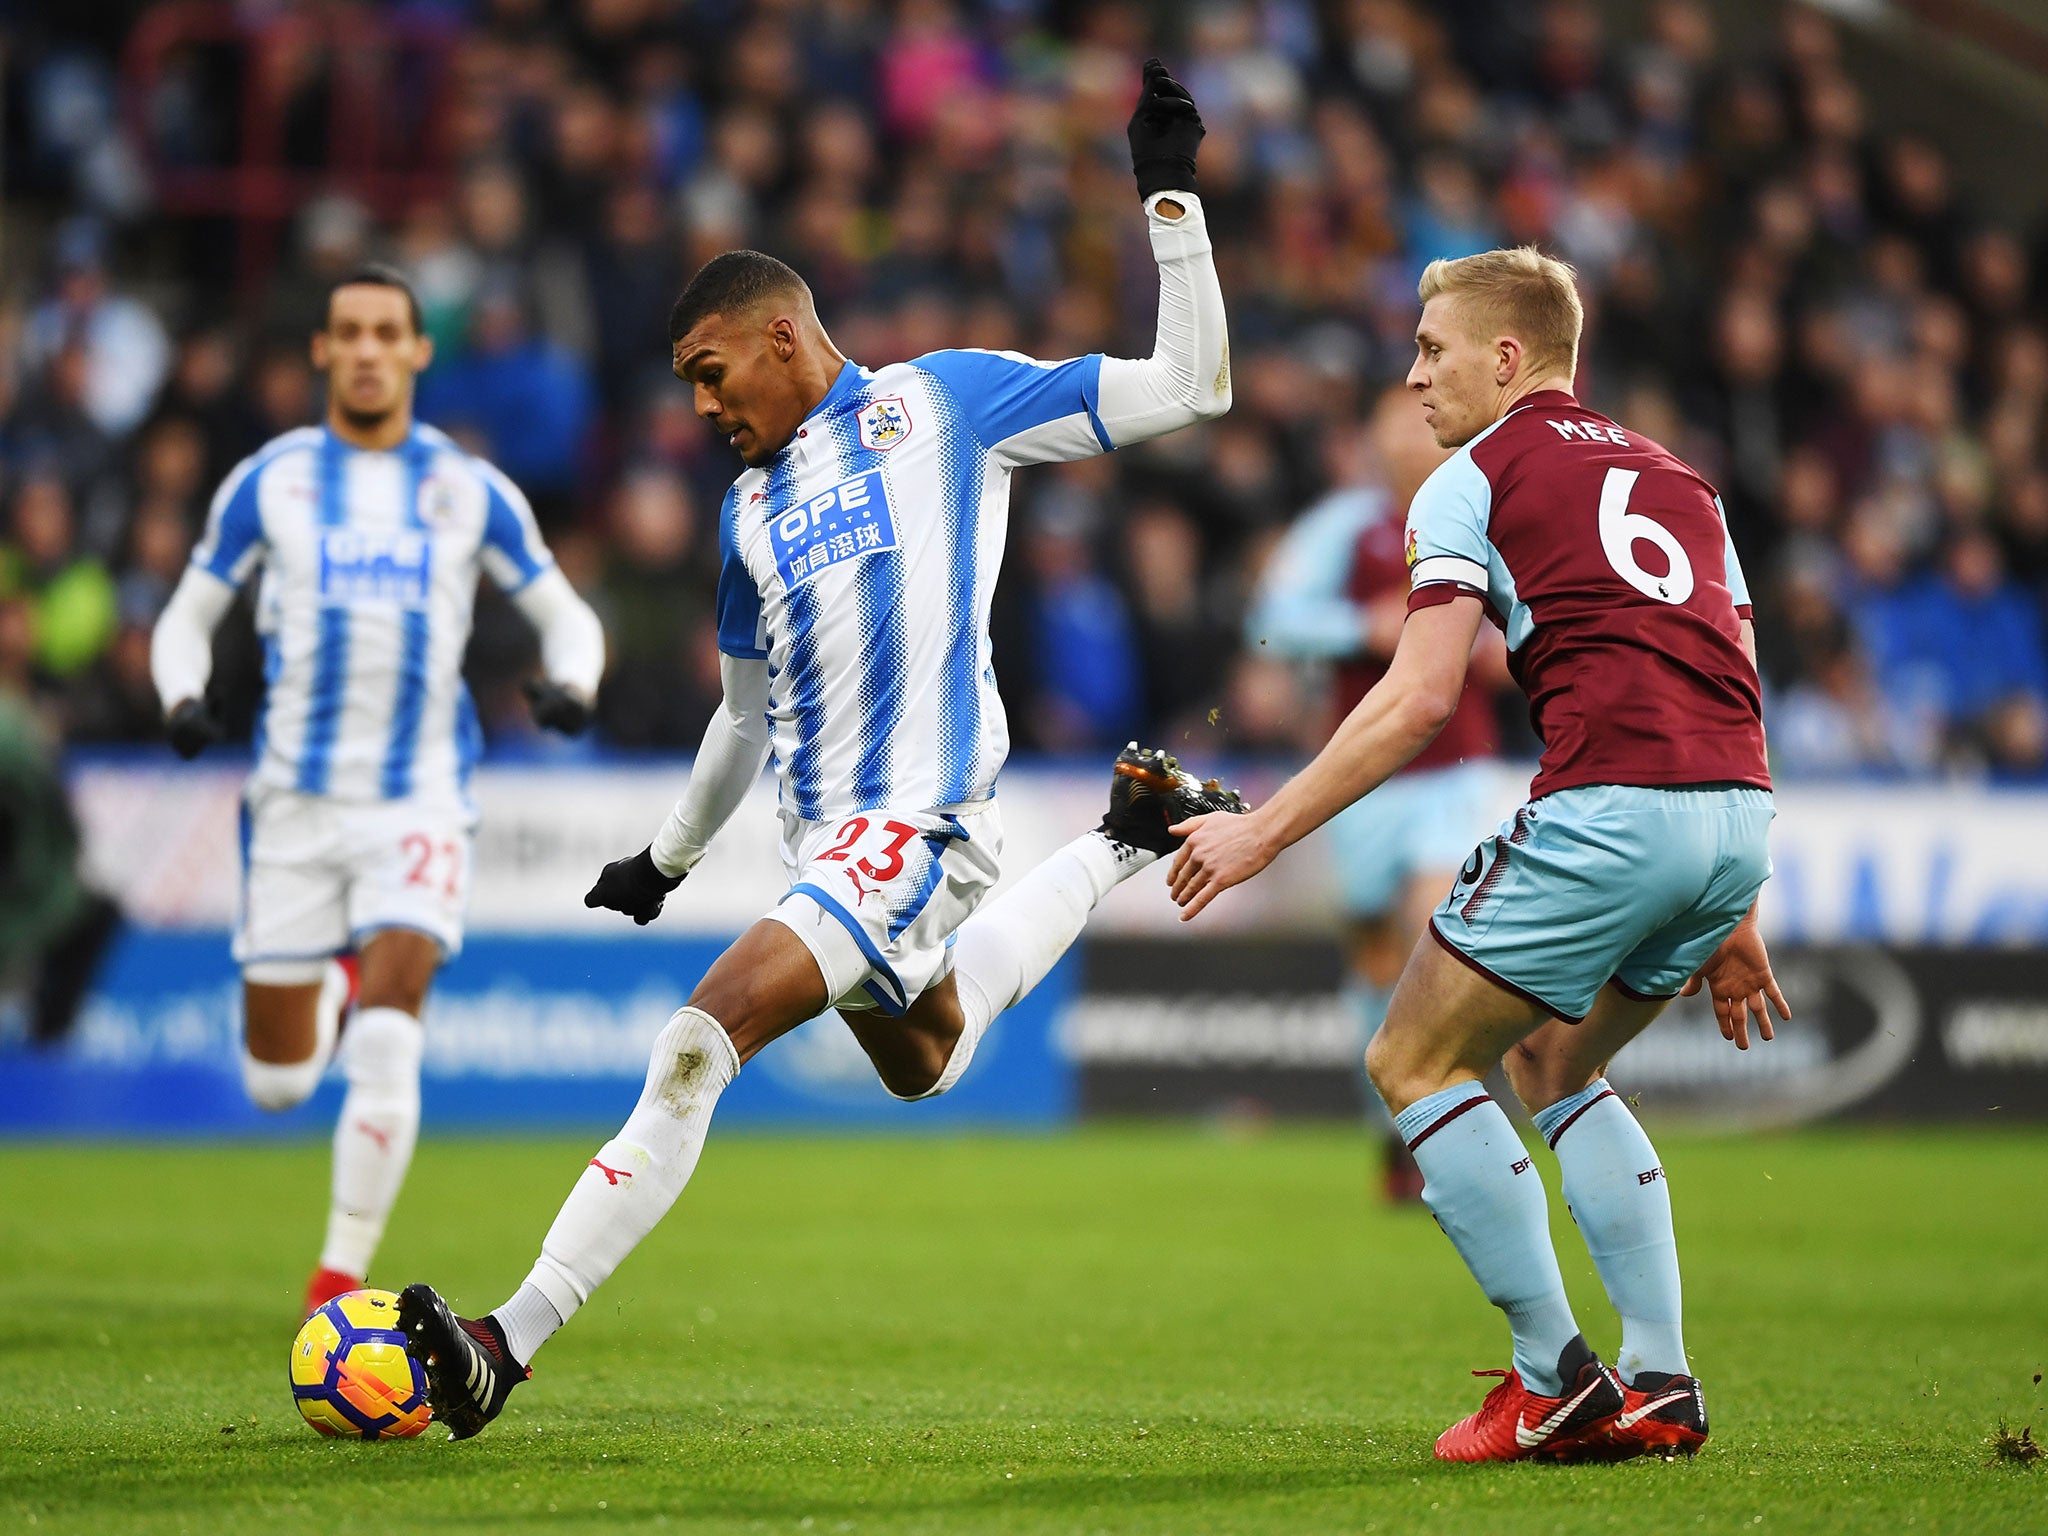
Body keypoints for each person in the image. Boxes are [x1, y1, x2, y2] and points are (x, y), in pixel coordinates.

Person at [395, 59, 1242, 1441]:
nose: (702, 408)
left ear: (781, 336)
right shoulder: (743, 518)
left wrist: (1169, 199)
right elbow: (743, 713)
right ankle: (1121, 840)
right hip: (833, 848)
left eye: (710, 373)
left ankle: (507, 1338)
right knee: (932, 1054)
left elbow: (1191, 387)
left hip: (917, 824)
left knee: (698, 1037)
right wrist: (662, 861)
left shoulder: (944, 408)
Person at [1168, 247, 1785, 1463]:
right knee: (1555, 1060)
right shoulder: (1682, 483)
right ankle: (1659, 1376)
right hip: (1731, 813)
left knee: (1410, 1057)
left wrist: (1257, 831)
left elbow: (1415, 700)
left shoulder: (1472, 477)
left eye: (1428, 347)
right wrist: (1737, 906)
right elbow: (1734, 682)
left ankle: (1553, 1379)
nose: (1411, 375)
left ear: (1505, 358)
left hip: (1609, 805)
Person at [149, 265, 605, 1315]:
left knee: (395, 1023)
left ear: (416, 350)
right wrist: (183, 697)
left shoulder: (466, 488)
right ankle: (333, 991)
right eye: (346, 332)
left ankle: (335, 1277)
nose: (364, 349)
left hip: (420, 798)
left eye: (384, 332)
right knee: (277, 1084)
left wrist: (573, 686)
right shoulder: (272, 481)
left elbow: (565, 614)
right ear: (321, 351)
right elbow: (186, 614)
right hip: (294, 808)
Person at [1247, 386, 1506, 1202]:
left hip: (1456, 770)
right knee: (1374, 961)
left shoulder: (1479, 513)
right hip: (1363, 777)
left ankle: (1455, 1114)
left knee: (1438, 931)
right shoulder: (1345, 526)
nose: (1408, 429)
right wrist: (1361, 628)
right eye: (1391, 419)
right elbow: (1274, 618)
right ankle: (1394, 1125)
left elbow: (1524, 618)